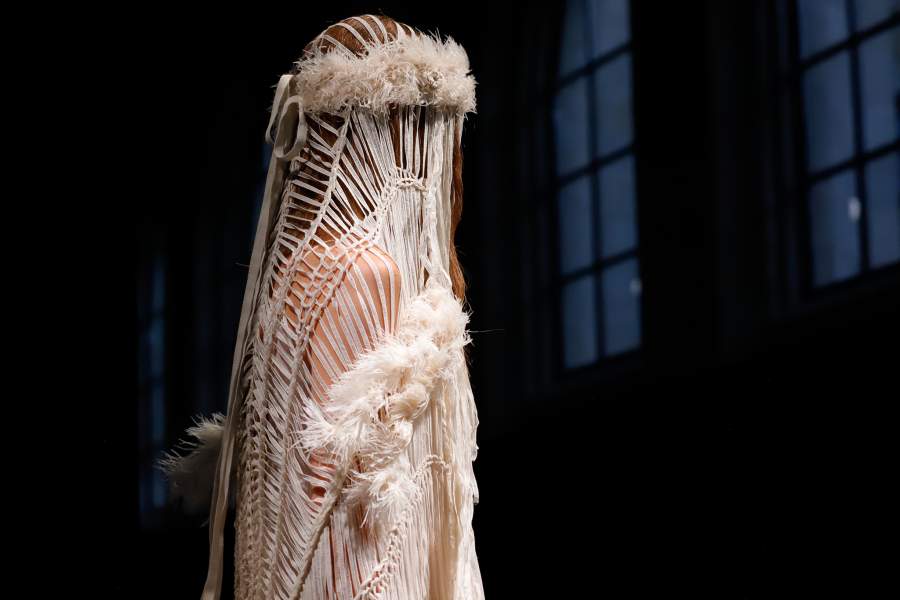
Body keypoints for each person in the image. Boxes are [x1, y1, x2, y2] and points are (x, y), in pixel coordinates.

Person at [158, 14, 484, 600]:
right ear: (401, 125)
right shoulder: (365, 271)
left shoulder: (297, 269)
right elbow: (350, 521)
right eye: (432, 125)